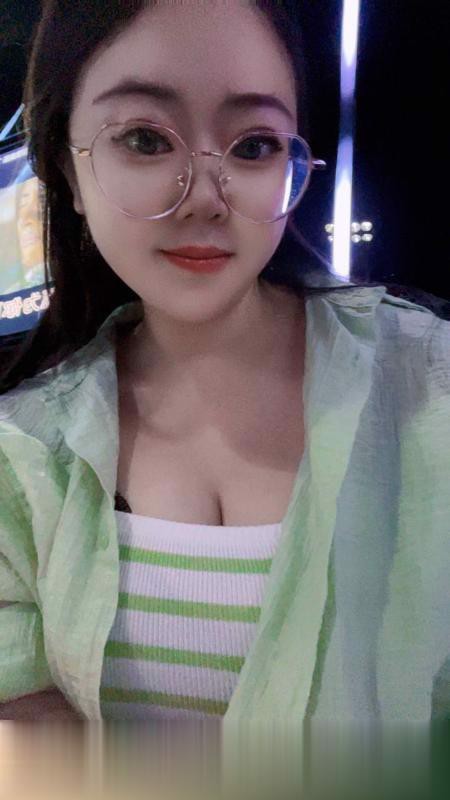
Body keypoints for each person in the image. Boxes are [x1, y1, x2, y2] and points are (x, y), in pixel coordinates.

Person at [0, 1, 449, 783]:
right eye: (145, 139)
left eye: (253, 145)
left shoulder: (429, 387)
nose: (206, 196)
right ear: (67, 171)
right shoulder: (22, 453)